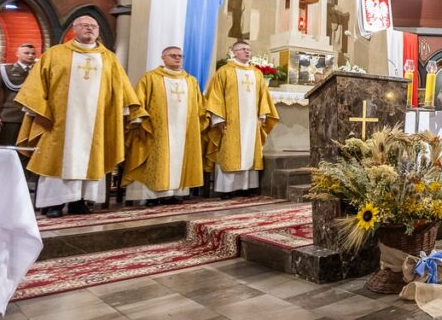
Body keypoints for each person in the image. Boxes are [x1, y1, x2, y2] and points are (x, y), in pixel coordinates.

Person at [15, 16, 146, 217]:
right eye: (84, 25)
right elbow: (36, 86)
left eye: (93, 26)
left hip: (97, 121)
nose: (89, 29)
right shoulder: (55, 54)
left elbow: (122, 89)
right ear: (74, 29)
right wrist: (38, 112)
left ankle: (80, 201)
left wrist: (127, 113)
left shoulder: (109, 58)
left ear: (98, 30)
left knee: (91, 158)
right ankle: (54, 204)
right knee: (56, 159)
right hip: (60, 121)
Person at [123, 47, 206, 206]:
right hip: (157, 129)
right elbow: (139, 101)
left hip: (184, 129)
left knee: (180, 157)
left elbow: (200, 106)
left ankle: (177, 193)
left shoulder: (191, 80)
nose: (177, 58)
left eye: (180, 56)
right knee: (157, 159)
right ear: (163, 58)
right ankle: (152, 196)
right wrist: (139, 121)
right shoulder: (150, 78)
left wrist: (201, 120)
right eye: (173, 55)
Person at [203, 41, 280, 198]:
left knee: (249, 150)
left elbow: (263, 97)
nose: (247, 52)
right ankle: (226, 189)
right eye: (243, 49)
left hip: (251, 122)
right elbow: (215, 97)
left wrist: (261, 117)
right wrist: (218, 120)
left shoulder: (257, 73)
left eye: (248, 49)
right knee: (229, 151)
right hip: (230, 121)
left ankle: (246, 186)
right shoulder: (224, 72)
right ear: (234, 52)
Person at [0, 43, 37, 148]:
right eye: (27, 53)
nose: (30, 55)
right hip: (11, 116)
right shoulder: (5, 70)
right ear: (17, 54)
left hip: (33, 116)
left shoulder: (38, 70)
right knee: (9, 149)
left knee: (29, 150)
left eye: (33, 53)